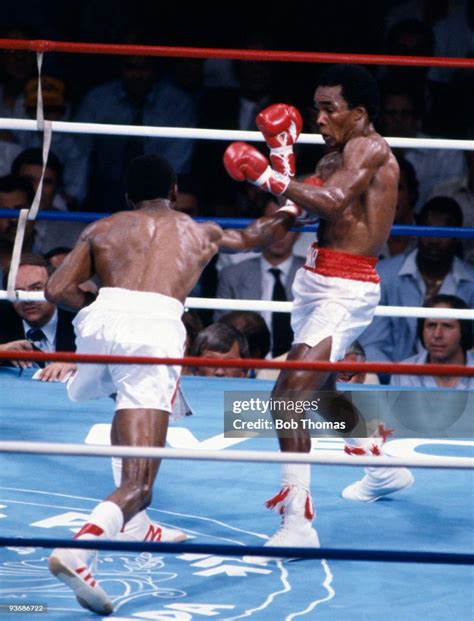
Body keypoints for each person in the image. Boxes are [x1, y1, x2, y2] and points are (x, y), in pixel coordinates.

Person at [44, 153, 296, 614]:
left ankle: (137, 527)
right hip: (151, 330)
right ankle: (79, 550)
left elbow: (57, 290)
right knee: (142, 483)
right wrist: (291, 203)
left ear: (127, 197)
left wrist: (100, 302)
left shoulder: (102, 228)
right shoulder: (200, 231)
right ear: (175, 192)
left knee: (124, 399)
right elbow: (260, 235)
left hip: (100, 323)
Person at [223, 64, 412, 552]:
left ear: (360, 113)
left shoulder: (370, 148)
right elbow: (305, 201)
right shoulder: (335, 157)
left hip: (346, 289)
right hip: (313, 281)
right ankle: (383, 467)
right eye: (316, 108)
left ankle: (297, 522)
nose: (319, 118)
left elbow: (328, 203)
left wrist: (266, 173)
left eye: (329, 108)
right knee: (322, 392)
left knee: (288, 395)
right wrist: (281, 171)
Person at [360, 197, 474, 366]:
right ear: (416, 229)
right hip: (393, 379)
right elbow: (373, 345)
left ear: (458, 235)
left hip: (456, 381)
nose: (434, 239)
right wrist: (399, 382)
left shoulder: (471, 280)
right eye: (427, 229)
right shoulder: (382, 274)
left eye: (444, 231)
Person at [216, 197, 304, 357]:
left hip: (301, 365)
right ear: (259, 228)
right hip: (245, 364)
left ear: (298, 231)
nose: (280, 234)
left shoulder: (313, 274)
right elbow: (221, 333)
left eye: (287, 226)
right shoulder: (233, 274)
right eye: (272, 225)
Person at [0, 253, 76, 381]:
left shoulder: (81, 325)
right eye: (18, 292)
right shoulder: (2, 320)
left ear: (54, 288)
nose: (27, 299)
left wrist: (79, 364)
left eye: (36, 288)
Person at [390, 294, 474, 389]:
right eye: (431, 325)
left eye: (447, 326)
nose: (437, 335)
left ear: (464, 331)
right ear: (422, 330)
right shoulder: (403, 373)